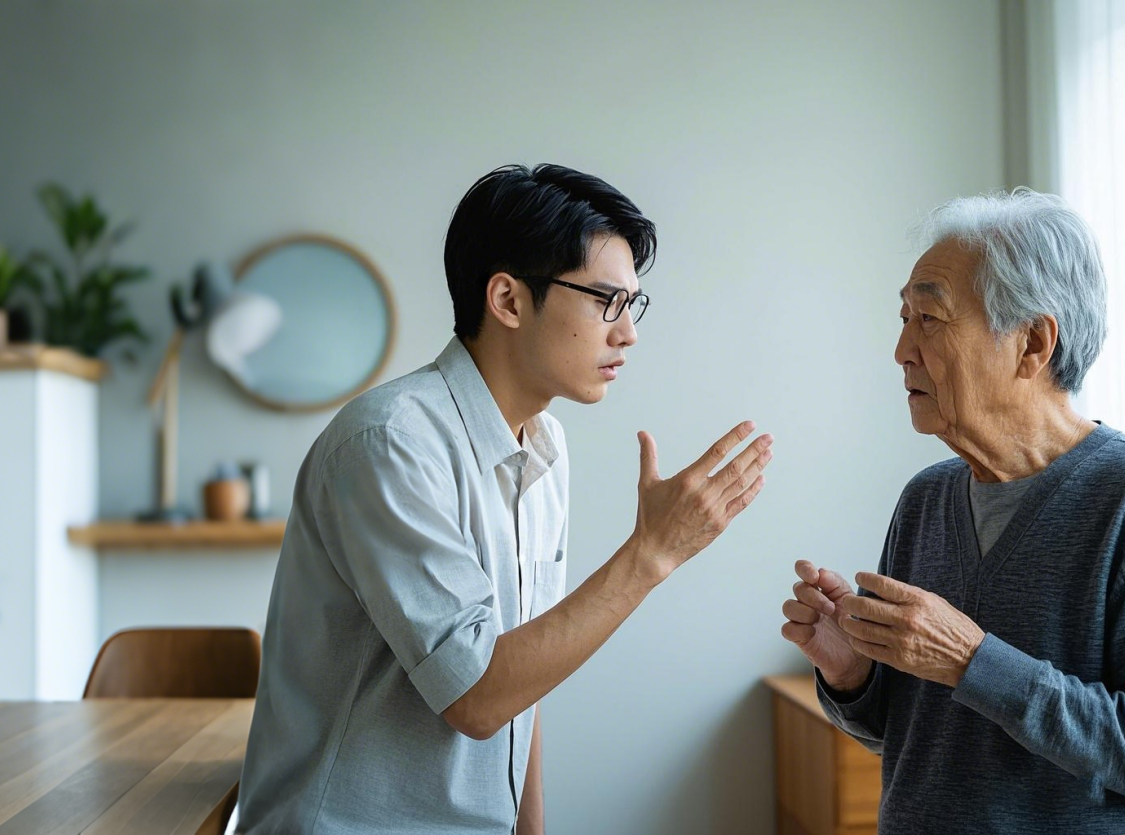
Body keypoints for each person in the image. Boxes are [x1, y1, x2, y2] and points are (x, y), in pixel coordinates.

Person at [236, 163, 772, 834]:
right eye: (605, 300)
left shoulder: (545, 443)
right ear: (509, 300)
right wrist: (651, 554)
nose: (627, 332)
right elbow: (478, 695)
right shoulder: (390, 443)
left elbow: (523, 676)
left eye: (632, 304)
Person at [781, 188, 1125, 833]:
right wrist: (853, 675)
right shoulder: (924, 499)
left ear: (1032, 343)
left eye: (930, 318)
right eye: (903, 317)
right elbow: (909, 741)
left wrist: (974, 661)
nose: (901, 350)